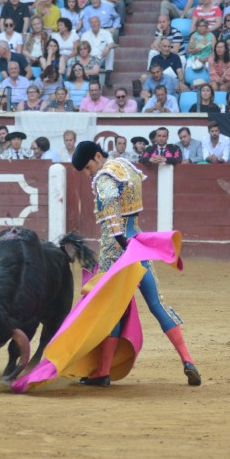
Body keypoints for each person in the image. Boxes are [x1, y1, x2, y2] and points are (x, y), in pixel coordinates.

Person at [69, 140, 202, 388]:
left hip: (115, 251)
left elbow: (110, 206)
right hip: (138, 245)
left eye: (88, 167)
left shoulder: (104, 177)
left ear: (98, 156)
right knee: (156, 303)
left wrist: (119, 239)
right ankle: (188, 359)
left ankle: (103, 372)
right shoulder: (125, 166)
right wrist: (129, 242)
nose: (90, 173)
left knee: (113, 309)